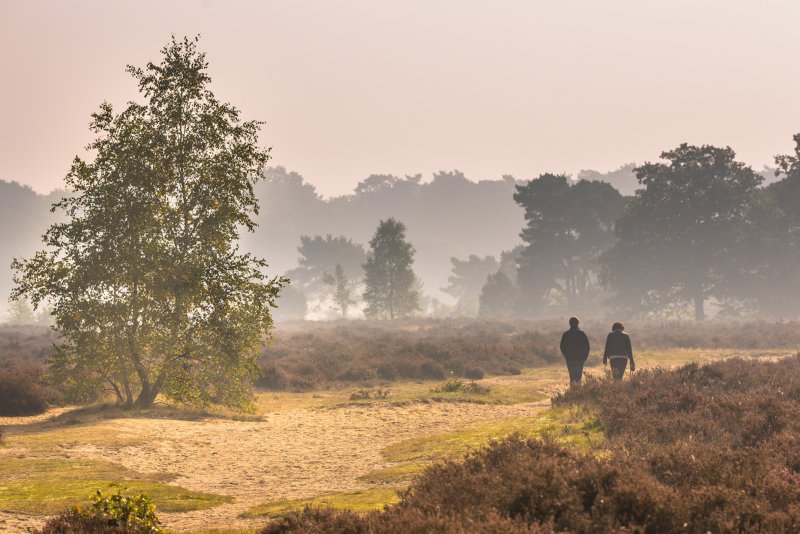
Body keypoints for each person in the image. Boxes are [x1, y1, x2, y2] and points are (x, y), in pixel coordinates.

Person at [559, 316, 590, 385]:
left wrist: (566, 356)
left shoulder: (566, 334)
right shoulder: (582, 334)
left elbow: (562, 347)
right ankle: (577, 392)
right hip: (580, 358)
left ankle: (572, 391)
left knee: (572, 376)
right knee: (578, 376)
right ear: (578, 323)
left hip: (570, 358)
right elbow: (587, 347)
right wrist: (585, 357)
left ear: (569, 323)